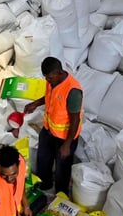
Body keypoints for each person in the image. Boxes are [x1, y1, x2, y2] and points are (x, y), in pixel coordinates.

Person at [23, 56, 83, 195]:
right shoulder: (52, 82)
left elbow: (75, 120)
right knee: (43, 159)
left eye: (49, 77)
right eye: (46, 77)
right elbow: (49, 97)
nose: (47, 80)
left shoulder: (73, 90)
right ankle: (44, 186)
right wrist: (35, 104)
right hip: (48, 130)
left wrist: (67, 145)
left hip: (65, 136)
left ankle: (60, 195)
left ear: (59, 72)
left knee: (62, 169)